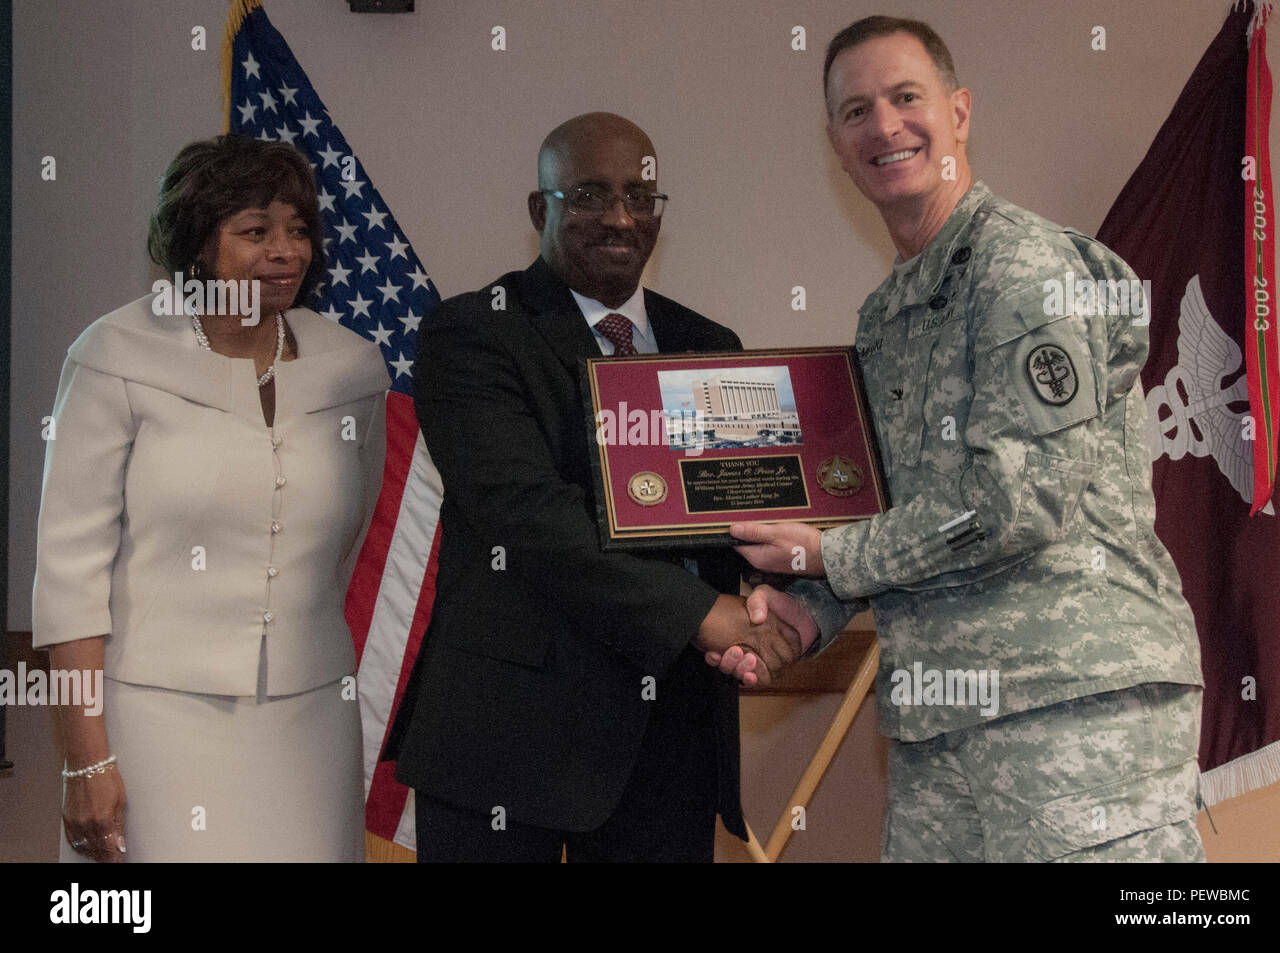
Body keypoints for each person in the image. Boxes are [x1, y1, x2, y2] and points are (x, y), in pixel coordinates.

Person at [720, 17, 1205, 862]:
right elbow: (893, 514)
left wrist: (830, 558)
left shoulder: (1023, 271)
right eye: (856, 110)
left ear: (960, 112)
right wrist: (806, 615)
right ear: (836, 144)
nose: (884, 125)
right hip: (940, 718)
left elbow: (1018, 499)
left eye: (906, 97)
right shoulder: (883, 321)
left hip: (1072, 707)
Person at [385, 112, 798, 863]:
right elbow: (531, 517)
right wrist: (702, 613)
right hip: (508, 745)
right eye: (589, 195)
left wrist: (792, 587)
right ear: (540, 209)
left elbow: (740, 514)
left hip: (669, 741)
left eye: (640, 197)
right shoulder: (473, 332)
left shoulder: (712, 345)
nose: (619, 217)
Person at [32, 134, 390, 862]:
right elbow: (69, 578)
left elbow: (347, 541)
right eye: (256, 231)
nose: (285, 250)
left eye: (297, 230)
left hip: (312, 718)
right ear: (198, 244)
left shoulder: (351, 368)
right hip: (154, 719)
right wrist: (85, 760)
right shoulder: (113, 356)